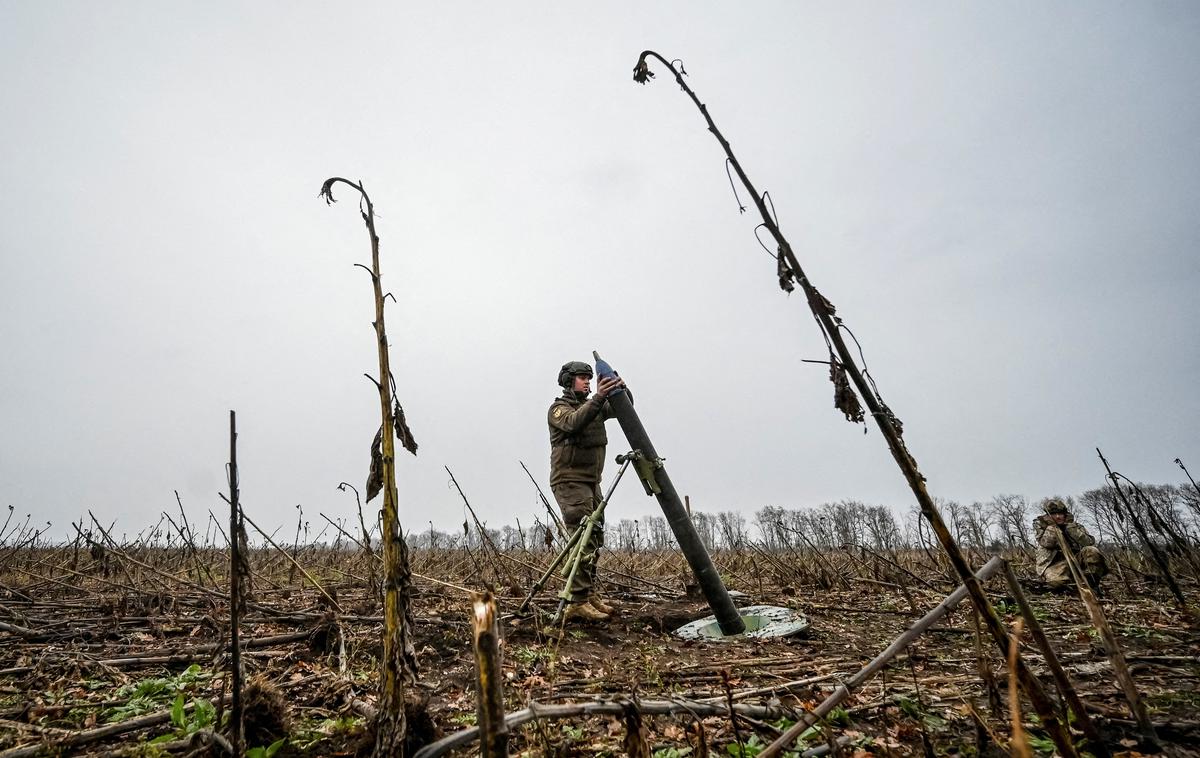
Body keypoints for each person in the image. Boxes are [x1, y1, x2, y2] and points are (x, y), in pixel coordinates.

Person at [548, 360, 624, 622]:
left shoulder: (596, 406)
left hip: (592, 482)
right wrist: (600, 397)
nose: (588, 382)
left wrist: (620, 389)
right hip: (569, 481)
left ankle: (587, 593)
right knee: (583, 539)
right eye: (582, 378)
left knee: (595, 538)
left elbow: (624, 408)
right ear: (568, 381)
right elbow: (573, 423)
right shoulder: (559, 409)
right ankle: (576, 602)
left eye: (589, 378)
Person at [1034, 498, 1107, 591]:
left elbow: (1089, 542)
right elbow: (1047, 543)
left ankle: (1090, 584)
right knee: (1057, 584)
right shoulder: (1041, 527)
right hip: (1054, 564)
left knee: (1092, 551)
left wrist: (1071, 528)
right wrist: (1052, 527)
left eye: (1060, 514)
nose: (1058, 517)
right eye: (1053, 514)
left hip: (1075, 560)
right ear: (1048, 516)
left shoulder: (1075, 526)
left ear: (1065, 515)